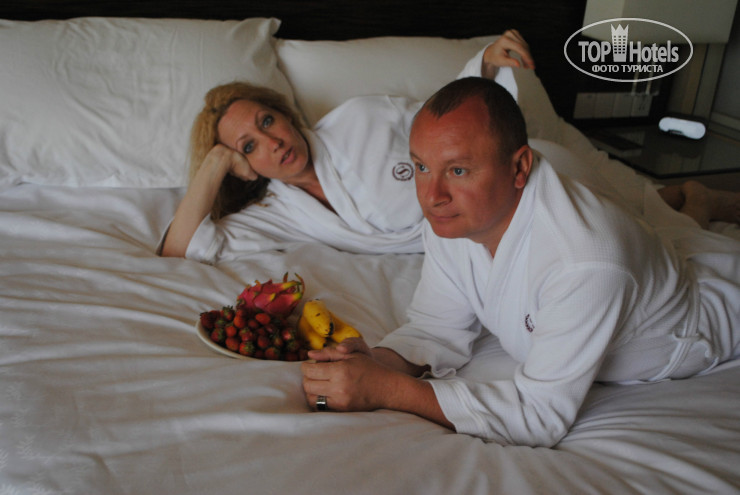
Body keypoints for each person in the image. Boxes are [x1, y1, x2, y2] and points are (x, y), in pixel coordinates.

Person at [300, 77, 740, 448]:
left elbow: (539, 415)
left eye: (458, 170)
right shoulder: (454, 215)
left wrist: (387, 389)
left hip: (707, 316)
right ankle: (696, 203)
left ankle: (697, 206)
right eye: (420, 167)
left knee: (683, 252)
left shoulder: (585, 260)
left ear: (519, 167)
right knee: (669, 236)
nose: (431, 196)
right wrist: (377, 359)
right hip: (652, 259)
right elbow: (436, 326)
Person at [159, 30, 739, 261]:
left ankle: (691, 204)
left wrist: (481, 64)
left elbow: (445, 119)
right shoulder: (281, 212)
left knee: (644, 246)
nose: (271, 141)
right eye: (248, 146)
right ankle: (693, 201)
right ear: (243, 167)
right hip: (481, 238)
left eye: (267, 120)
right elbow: (180, 249)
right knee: (636, 239)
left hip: (518, 181)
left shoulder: (357, 120)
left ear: (285, 114)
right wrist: (213, 165)